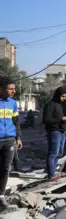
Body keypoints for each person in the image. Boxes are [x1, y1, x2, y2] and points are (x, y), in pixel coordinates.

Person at [0, 76, 22, 211]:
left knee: (5, 169)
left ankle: (1, 196)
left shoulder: (13, 103)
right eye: (11, 89)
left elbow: (16, 121)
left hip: (9, 140)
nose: (13, 91)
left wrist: (18, 137)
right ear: (1, 89)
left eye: (14, 89)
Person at [43, 87, 66, 182]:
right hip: (54, 132)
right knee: (53, 153)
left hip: (62, 132)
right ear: (58, 95)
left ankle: (52, 172)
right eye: (62, 96)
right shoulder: (50, 105)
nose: (64, 99)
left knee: (59, 153)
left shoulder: (59, 105)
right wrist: (61, 119)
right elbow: (46, 120)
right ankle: (51, 175)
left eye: (65, 97)